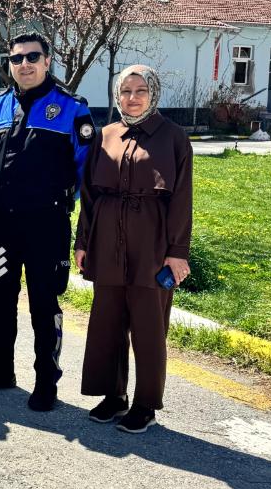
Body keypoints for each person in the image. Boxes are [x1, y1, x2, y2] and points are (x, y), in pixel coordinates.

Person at [0, 32, 94, 411]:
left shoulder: (72, 109)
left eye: (32, 57)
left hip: (47, 226)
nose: (24, 64)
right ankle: (1, 368)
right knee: (0, 298)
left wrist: (55, 201)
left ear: (47, 61)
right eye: (16, 58)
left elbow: (85, 171)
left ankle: (46, 381)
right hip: (0, 225)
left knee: (44, 303)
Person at [75, 64, 192, 434]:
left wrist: (177, 251)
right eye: (125, 91)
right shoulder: (106, 134)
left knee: (148, 326)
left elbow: (182, 199)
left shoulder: (173, 137)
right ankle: (113, 394)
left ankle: (145, 403)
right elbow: (90, 197)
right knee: (107, 322)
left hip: (152, 243)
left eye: (140, 90)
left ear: (153, 93)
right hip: (107, 238)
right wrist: (82, 243)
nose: (132, 97)